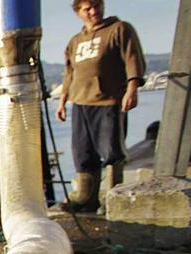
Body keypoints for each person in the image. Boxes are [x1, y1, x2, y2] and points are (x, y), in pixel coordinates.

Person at [56, 0, 145, 213]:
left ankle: (112, 199)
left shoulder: (120, 29)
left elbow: (133, 60)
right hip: (80, 102)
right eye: (88, 8)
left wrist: (132, 89)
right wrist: (62, 101)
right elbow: (69, 73)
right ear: (78, 12)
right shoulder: (75, 41)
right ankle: (86, 198)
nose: (94, 11)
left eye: (97, 6)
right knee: (83, 153)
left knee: (112, 151)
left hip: (108, 101)